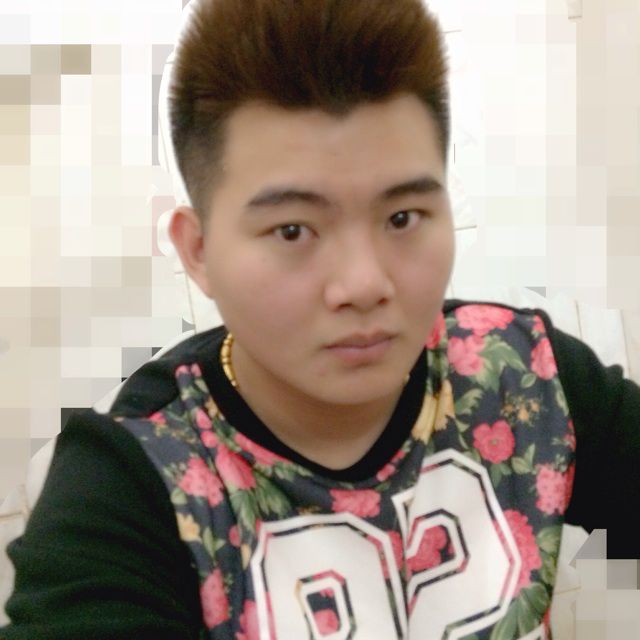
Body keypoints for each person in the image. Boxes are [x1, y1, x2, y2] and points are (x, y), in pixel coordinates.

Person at [2, 0, 640, 638]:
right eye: (292, 230)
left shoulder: (520, 375)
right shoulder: (134, 480)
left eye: (402, 218)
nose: (363, 284)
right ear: (198, 251)